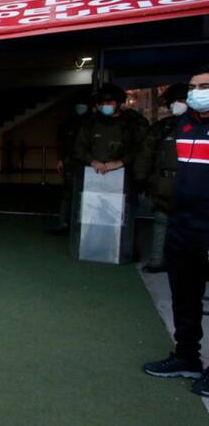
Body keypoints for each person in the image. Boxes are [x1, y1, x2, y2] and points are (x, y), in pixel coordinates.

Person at [143, 67, 209, 398]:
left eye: (205, 86)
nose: (197, 92)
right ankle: (187, 357)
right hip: (182, 224)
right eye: (194, 87)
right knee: (184, 296)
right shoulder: (183, 124)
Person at [134, 84, 188, 273]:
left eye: (184, 100)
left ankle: (191, 266)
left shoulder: (201, 127)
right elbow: (146, 155)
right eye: (177, 101)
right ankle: (157, 261)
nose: (180, 104)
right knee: (161, 221)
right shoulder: (162, 128)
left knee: (192, 227)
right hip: (164, 184)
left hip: (193, 184)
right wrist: (141, 179)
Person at [74, 83, 148, 177]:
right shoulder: (90, 122)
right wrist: (93, 162)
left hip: (124, 174)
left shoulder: (131, 122)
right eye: (101, 103)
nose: (105, 106)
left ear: (118, 103)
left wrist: (120, 162)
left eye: (109, 103)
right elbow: (79, 147)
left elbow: (140, 148)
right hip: (94, 174)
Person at [52, 92, 91, 234]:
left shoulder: (92, 123)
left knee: (86, 194)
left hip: (89, 163)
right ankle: (64, 223)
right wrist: (61, 159)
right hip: (71, 162)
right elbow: (62, 142)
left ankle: (83, 225)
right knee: (68, 193)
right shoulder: (68, 123)